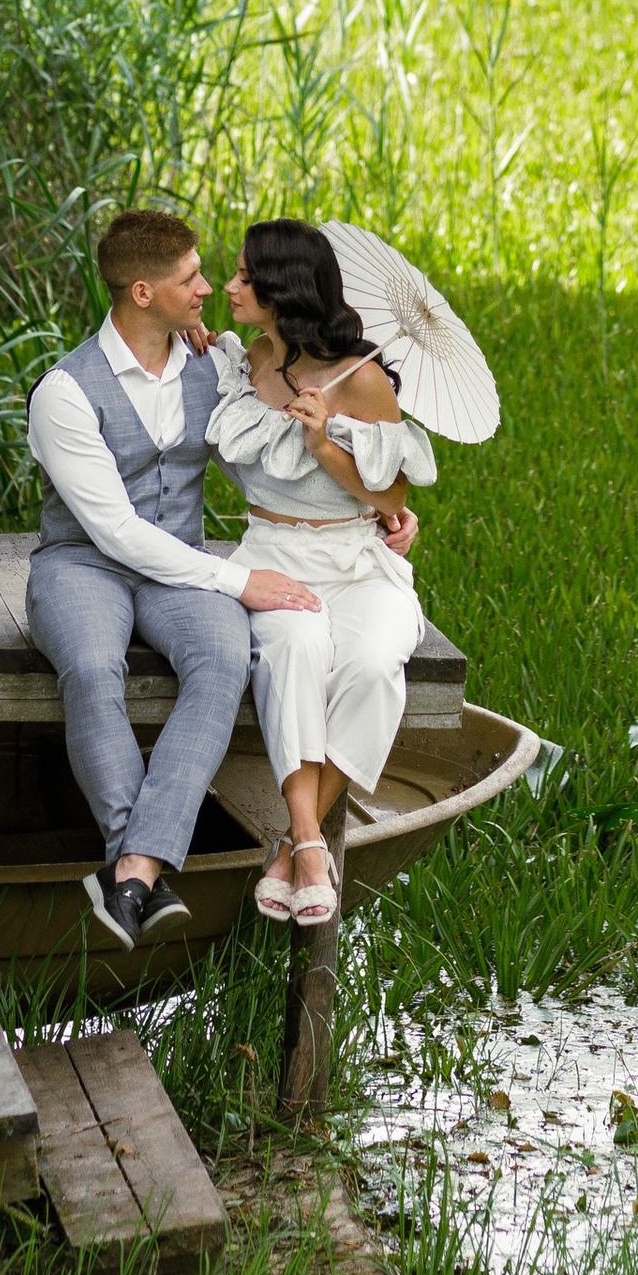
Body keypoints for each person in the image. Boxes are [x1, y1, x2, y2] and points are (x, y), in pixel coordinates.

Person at [25, 206, 323, 953]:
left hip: (177, 567)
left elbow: (262, 461)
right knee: (94, 668)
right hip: (82, 565)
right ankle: (145, 869)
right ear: (142, 293)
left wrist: (375, 505)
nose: (207, 288)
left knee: (225, 659)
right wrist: (236, 579)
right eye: (190, 277)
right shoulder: (63, 392)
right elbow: (116, 532)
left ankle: (130, 871)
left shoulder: (211, 364)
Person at [206, 218, 434, 930]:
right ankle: (308, 843)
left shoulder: (363, 380)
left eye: (246, 278)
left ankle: (290, 847)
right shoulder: (245, 362)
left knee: (372, 665)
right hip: (272, 556)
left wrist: (324, 443)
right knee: (294, 649)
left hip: (357, 562)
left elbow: (393, 498)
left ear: (283, 291)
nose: (232, 288)